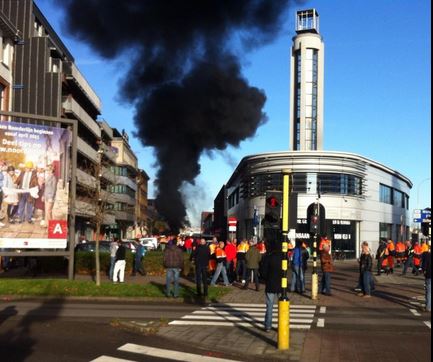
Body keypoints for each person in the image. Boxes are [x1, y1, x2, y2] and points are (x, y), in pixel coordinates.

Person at [260, 240, 283, 332]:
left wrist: (266, 279)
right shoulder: (283, 257)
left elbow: (263, 272)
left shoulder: (268, 257)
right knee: (281, 306)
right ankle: (281, 325)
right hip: (281, 285)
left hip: (270, 284)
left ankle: (268, 325)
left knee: (270, 306)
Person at [422, 246, 431, 313]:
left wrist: (424, 272)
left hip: (429, 275)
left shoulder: (427, 255)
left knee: (428, 291)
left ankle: (428, 307)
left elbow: (424, 265)